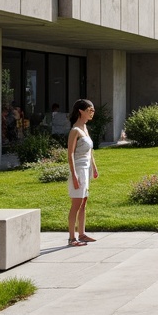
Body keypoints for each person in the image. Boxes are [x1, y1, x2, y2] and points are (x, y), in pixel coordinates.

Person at [66, 99, 99, 246]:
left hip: (86, 169)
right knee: (76, 203)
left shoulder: (85, 128)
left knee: (84, 202)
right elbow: (70, 154)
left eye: (92, 110)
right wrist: (74, 176)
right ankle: (72, 238)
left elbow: (90, 151)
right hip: (78, 170)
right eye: (89, 110)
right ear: (81, 111)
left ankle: (82, 233)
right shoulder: (75, 131)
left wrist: (94, 166)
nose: (92, 112)